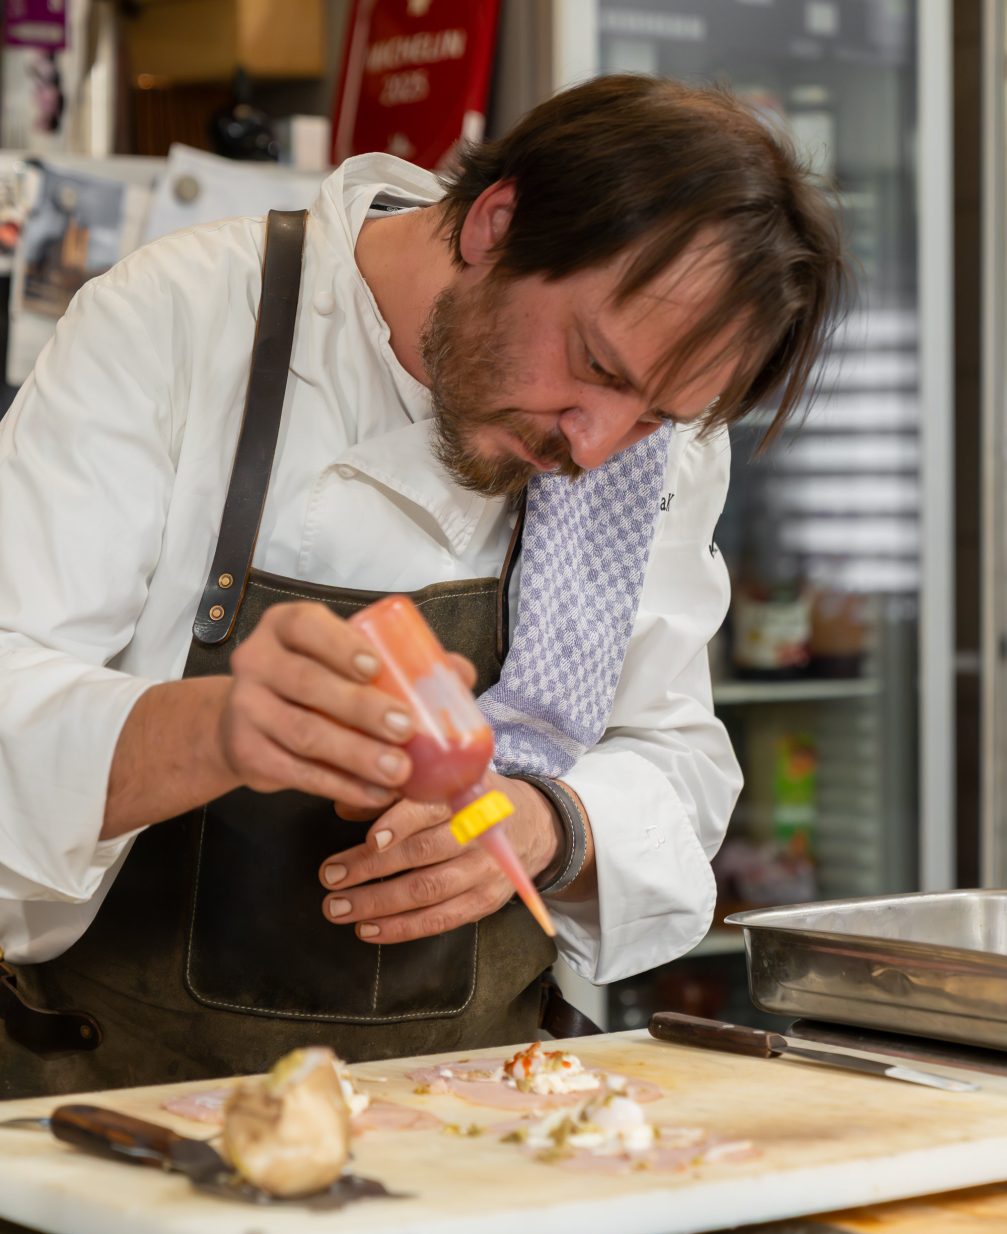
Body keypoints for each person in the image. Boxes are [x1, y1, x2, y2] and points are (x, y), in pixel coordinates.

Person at [0, 74, 846, 1098]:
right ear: (496, 222)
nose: (593, 448)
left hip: (476, 1119)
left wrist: (541, 822)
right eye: (595, 366)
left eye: (655, 417)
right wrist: (221, 728)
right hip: (117, 1111)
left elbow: (677, 762)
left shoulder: (640, 453)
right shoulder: (180, 318)